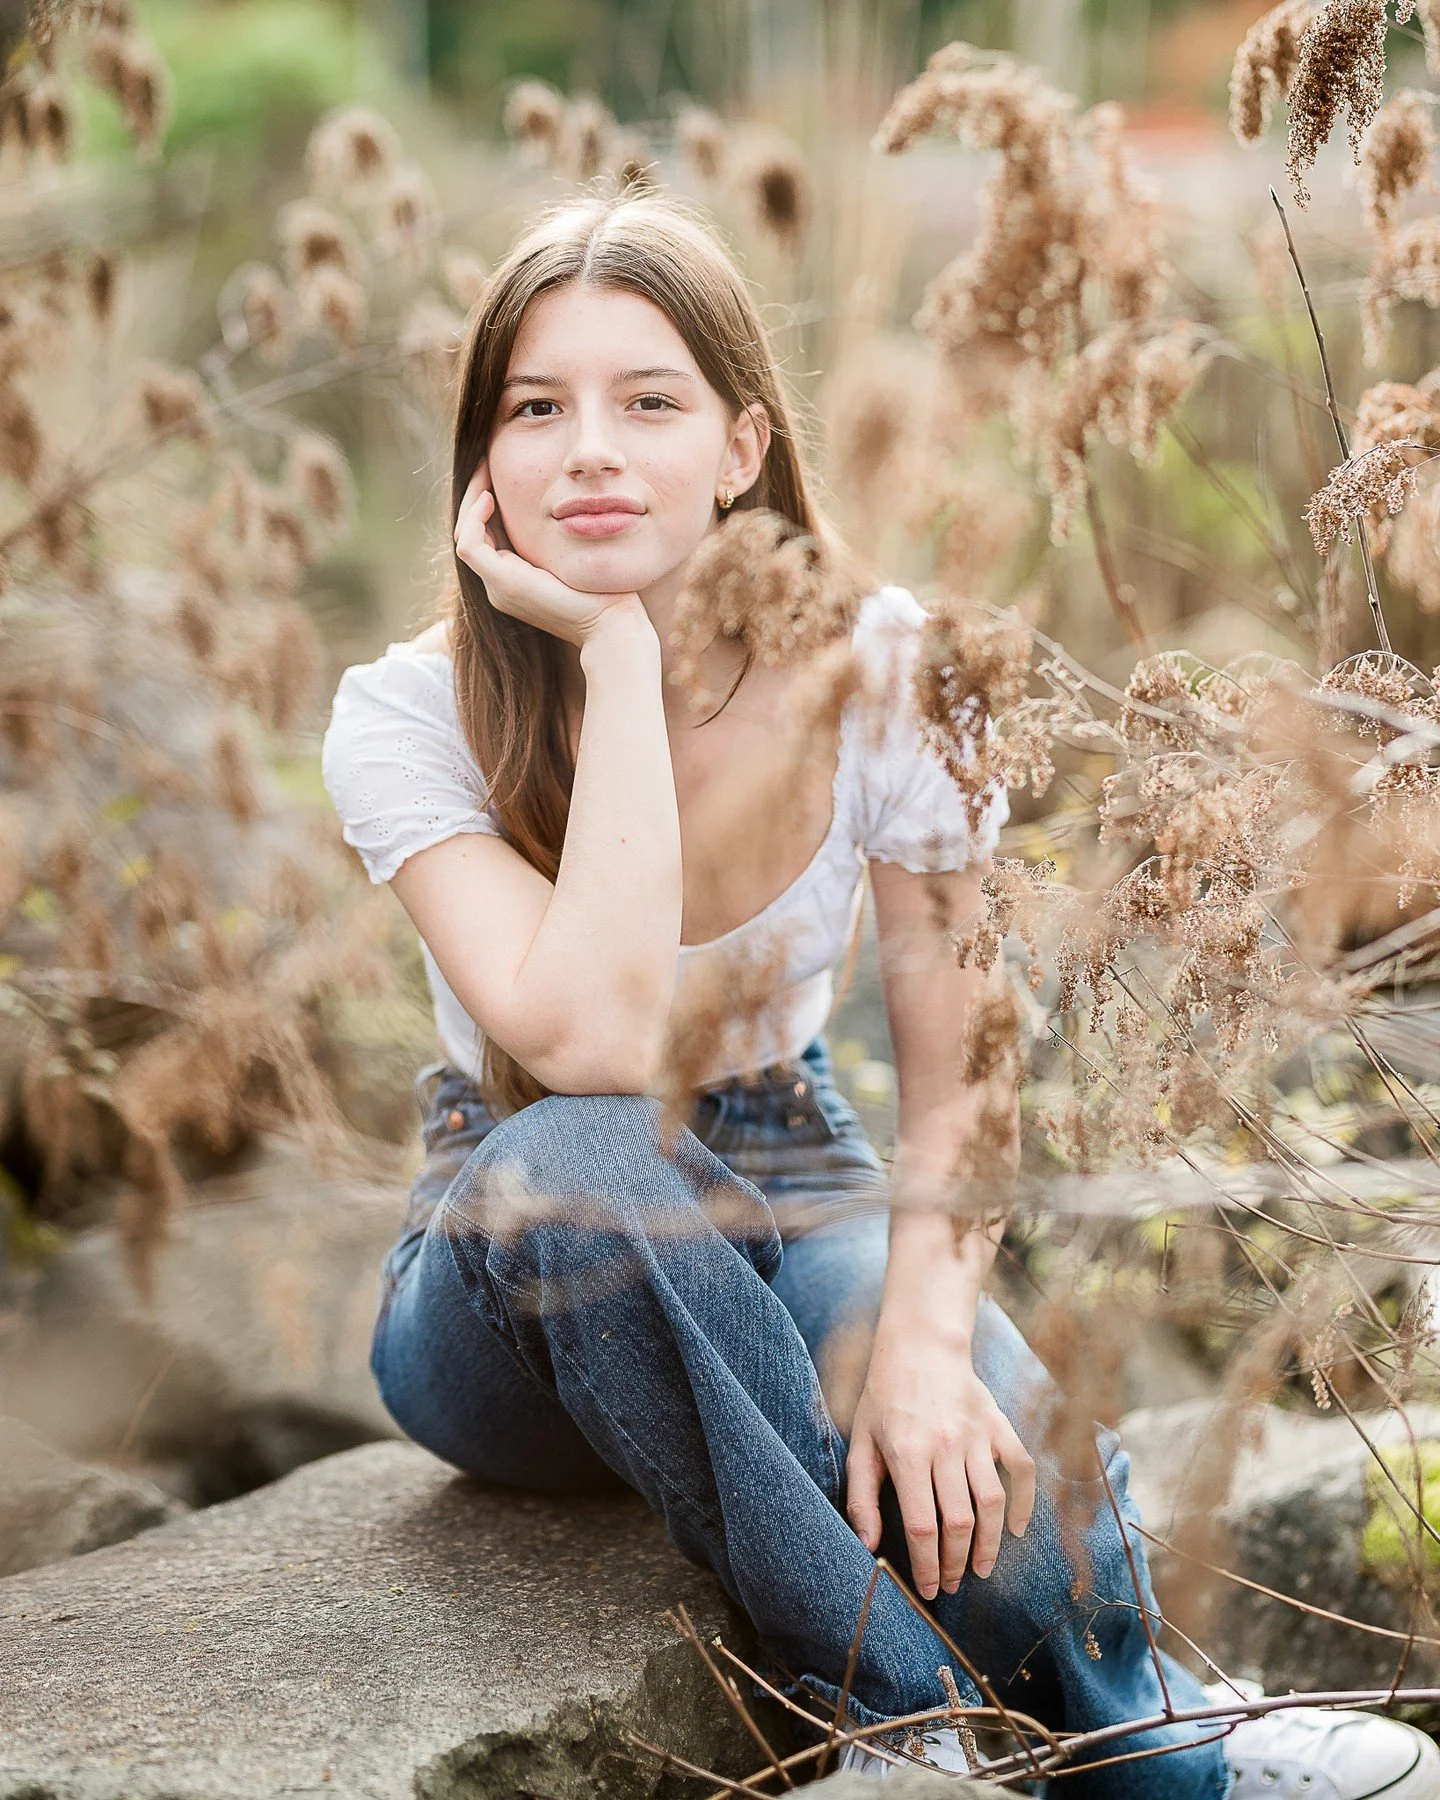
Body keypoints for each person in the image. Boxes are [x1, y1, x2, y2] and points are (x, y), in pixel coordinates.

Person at [319, 182, 1439, 1799]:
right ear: (481, 464)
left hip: (791, 1154)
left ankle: (1160, 1736)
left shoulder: (883, 668)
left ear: (743, 445)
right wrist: (617, 662)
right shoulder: (404, 711)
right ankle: (897, 1737)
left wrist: (919, 1331)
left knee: (961, 1433)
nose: (589, 451)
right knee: (590, 1162)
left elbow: (965, 1045)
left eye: (650, 402)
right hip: (522, 1241)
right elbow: (583, 1043)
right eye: (535, 409)